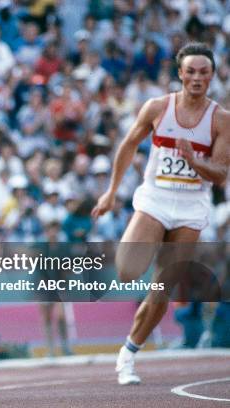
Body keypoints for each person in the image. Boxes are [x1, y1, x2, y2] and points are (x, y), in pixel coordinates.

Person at [92, 43, 229, 386]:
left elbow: (220, 174)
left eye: (204, 72)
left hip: (191, 206)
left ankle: (128, 355)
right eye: (191, 71)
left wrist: (195, 160)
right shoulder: (157, 108)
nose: (197, 77)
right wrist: (111, 192)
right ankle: (146, 247)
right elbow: (126, 145)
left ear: (212, 76)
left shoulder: (222, 119)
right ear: (180, 74)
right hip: (155, 198)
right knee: (126, 272)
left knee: (162, 288)